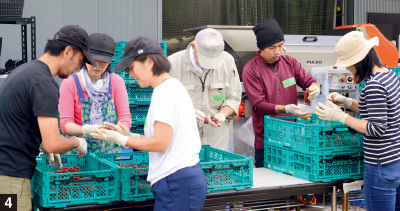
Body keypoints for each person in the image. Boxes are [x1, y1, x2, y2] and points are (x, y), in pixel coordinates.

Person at [90, 36, 207, 210]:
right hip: (182, 179)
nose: (130, 74)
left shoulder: (163, 93)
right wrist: (131, 135)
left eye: (132, 68)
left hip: (176, 182)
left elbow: (161, 143)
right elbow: (167, 137)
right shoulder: (173, 86)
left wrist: (120, 139)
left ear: (150, 62)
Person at [0, 25, 92, 211]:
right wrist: (77, 142)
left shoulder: (25, 72)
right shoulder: (44, 83)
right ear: (68, 51)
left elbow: (19, 119)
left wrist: (42, 141)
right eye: (80, 62)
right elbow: (53, 144)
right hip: (11, 178)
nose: (77, 69)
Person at [315, 31, 400, 211]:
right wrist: (347, 102)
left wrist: (342, 117)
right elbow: (379, 112)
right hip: (395, 161)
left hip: (380, 166)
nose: (348, 70)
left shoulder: (374, 85)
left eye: (349, 65)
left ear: (358, 61)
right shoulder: (389, 75)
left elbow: (376, 128)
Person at [242, 18, 321, 168]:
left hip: (293, 137)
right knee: (268, 185)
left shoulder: (290, 63)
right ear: (262, 47)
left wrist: (315, 87)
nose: (277, 51)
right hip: (267, 141)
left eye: (280, 45)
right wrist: (286, 109)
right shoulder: (251, 70)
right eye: (272, 47)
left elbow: (308, 80)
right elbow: (259, 105)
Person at [168, 28, 241, 151]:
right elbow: (164, 105)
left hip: (217, 141)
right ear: (193, 47)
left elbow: (233, 97)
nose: (209, 64)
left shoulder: (227, 61)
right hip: (184, 142)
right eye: (205, 59)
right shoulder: (172, 64)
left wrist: (222, 114)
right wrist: (186, 113)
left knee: (217, 169)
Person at [58, 33, 132, 153]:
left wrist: (117, 131)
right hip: (78, 154)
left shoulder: (116, 82)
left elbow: (125, 117)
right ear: (84, 56)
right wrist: (85, 130)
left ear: (110, 61)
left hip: (110, 154)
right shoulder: (69, 84)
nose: (97, 65)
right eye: (93, 60)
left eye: (103, 61)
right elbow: (65, 124)